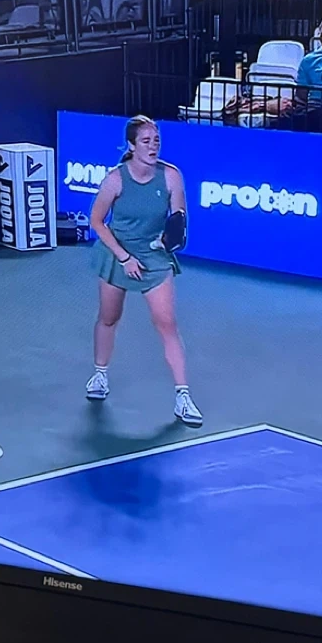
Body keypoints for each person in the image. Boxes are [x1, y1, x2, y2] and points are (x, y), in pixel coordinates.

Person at [85, 116, 203, 427]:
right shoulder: (115, 180)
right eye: (146, 141)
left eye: (156, 141)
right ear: (132, 145)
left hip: (154, 256)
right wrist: (125, 258)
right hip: (117, 252)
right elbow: (97, 221)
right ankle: (100, 375)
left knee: (167, 323)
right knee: (109, 317)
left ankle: (183, 397)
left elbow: (179, 220)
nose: (153, 147)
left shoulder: (171, 176)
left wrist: (167, 240)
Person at [219, 13, 322, 129]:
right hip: (310, 109)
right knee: (297, 113)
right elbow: (301, 98)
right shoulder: (309, 60)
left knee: (320, 113)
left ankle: (267, 126)